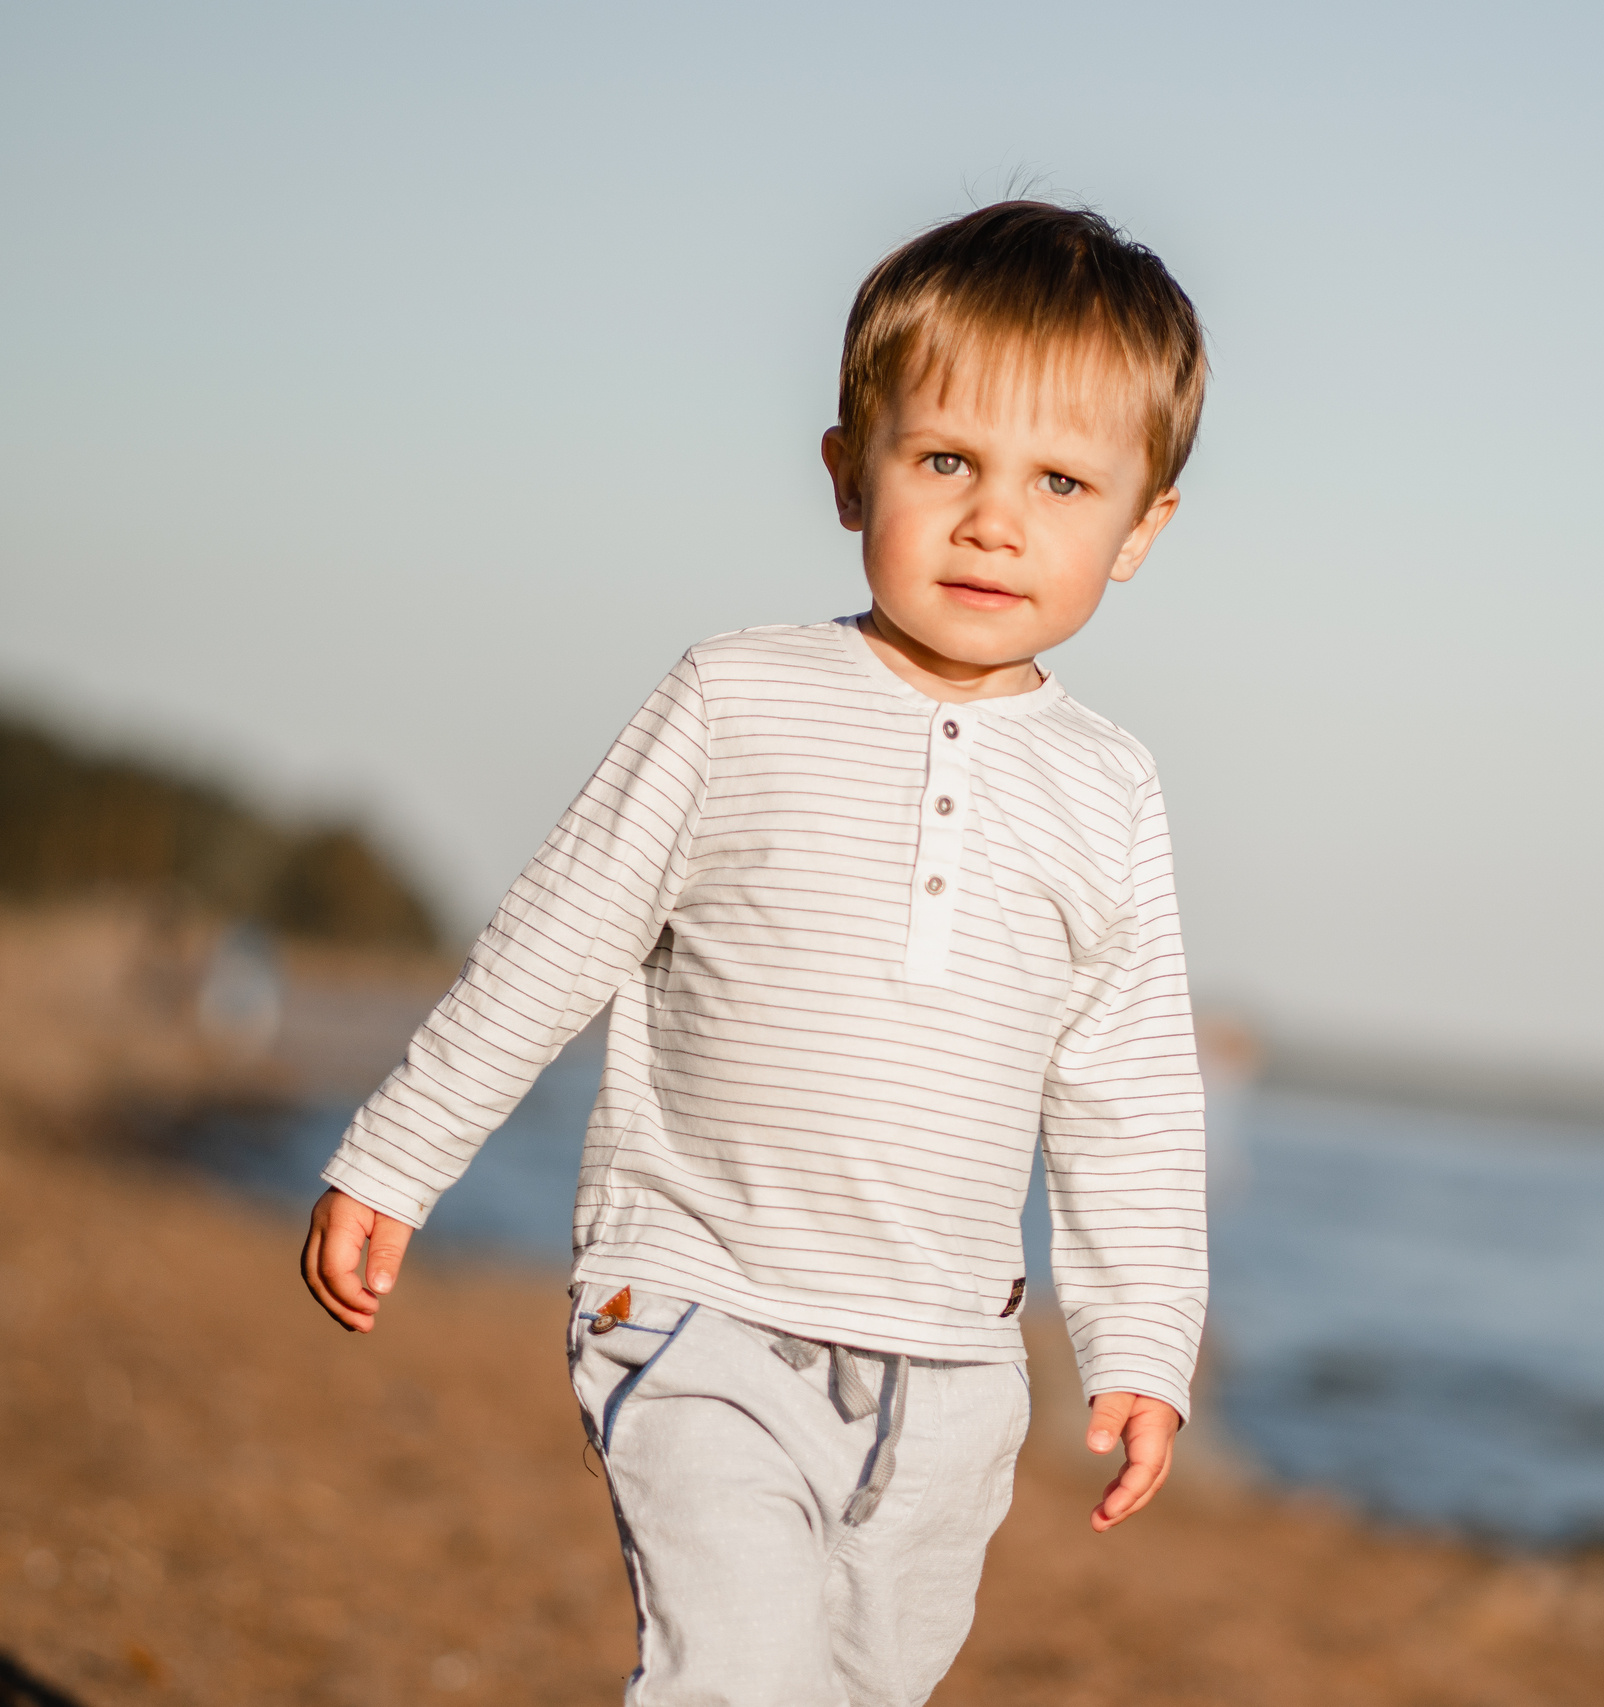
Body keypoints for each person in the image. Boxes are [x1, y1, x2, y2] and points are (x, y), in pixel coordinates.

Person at [298, 200, 1211, 1705]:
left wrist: (1145, 1344)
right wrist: (399, 1155)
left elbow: (1127, 1095)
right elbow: (555, 941)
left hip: (953, 1368)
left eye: (1060, 482)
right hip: (698, 1300)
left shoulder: (1107, 790)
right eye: (947, 462)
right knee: (734, 1669)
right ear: (851, 472)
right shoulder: (738, 701)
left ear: (1141, 529)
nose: (996, 520)